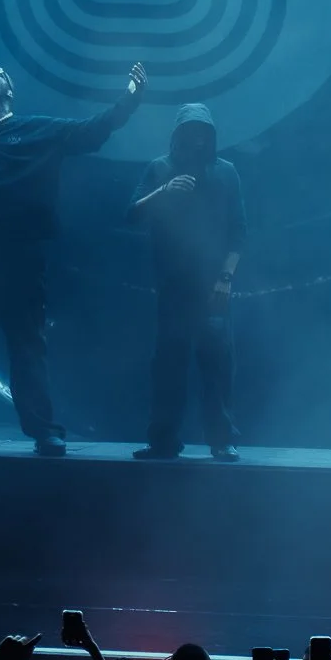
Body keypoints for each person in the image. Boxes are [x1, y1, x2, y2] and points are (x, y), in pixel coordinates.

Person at [0, 53, 146, 456]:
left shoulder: (37, 130)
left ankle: (44, 429)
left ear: (10, 92)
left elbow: (95, 129)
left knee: (27, 346)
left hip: (20, 257)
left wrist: (131, 98)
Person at [128, 102, 245, 462]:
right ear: (177, 135)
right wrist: (163, 192)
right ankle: (163, 440)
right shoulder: (159, 168)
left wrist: (225, 277)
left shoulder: (226, 172)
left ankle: (221, 440)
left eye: (203, 132)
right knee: (168, 365)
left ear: (210, 136)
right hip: (173, 287)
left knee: (217, 363)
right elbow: (131, 215)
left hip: (212, 288)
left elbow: (238, 233)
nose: (197, 139)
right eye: (190, 131)